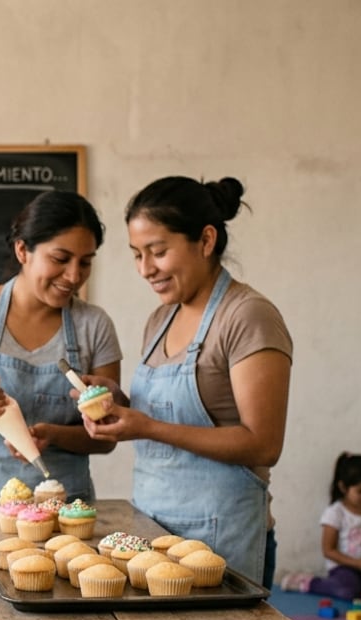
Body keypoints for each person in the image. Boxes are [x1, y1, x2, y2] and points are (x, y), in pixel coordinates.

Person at [83, 176, 292, 587]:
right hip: (151, 530)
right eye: (137, 255)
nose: (146, 269)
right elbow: (158, 415)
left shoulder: (247, 316)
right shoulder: (161, 319)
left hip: (220, 542)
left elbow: (264, 444)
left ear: (207, 240)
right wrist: (117, 402)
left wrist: (147, 427)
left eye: (158, 252)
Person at [0, 190, 123, 501]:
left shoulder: (94, 325)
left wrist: (54, 435)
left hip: (68, 509)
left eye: (85, 263)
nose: (74, 276)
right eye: (60, 259)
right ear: (22, 250)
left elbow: (106, 438)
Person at [280, 453, 361, 598]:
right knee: (347, 590)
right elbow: (328, 550)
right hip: (345, 568)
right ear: (343, 487)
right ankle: (309, 582)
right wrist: (359, 564)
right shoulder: (336, 513)